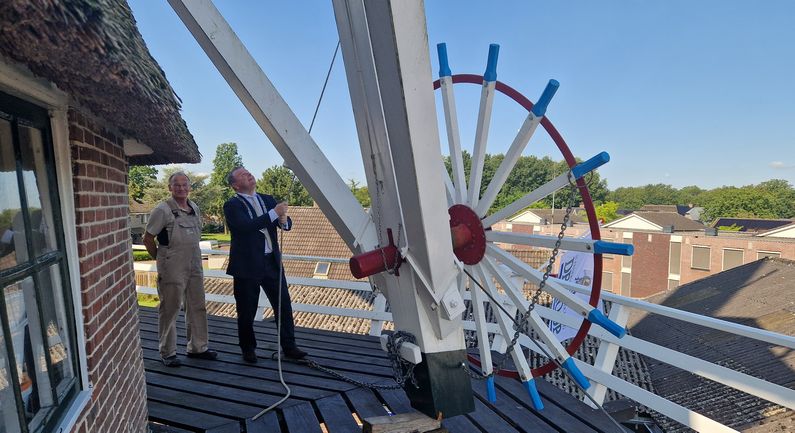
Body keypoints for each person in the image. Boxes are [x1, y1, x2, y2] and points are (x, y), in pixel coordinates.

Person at [223, 166, 306, 363]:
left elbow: (285, 223)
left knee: (283, 304)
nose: (249, 174)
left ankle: (289, 346)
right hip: (247, 265)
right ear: (235, 185)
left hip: (271, 262)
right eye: (243, 175)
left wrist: (283, 220)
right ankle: (248, 348)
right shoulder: (232, 205)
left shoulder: (267, 199)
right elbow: (244, 227)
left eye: (248, 172)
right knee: (246, 309)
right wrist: (274, 214)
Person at [143, 172, 217, 367]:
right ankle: (168, 352)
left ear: (190, 187)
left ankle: (198, 347)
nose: (181, 188)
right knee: (171, 307)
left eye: (185, 185)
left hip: (194, 261)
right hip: (172, 263)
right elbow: (148, 238)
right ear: (170, 187)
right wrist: (162, 259)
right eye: (177, 185)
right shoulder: (162, 210)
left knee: (197, 304)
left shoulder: (194, 208)